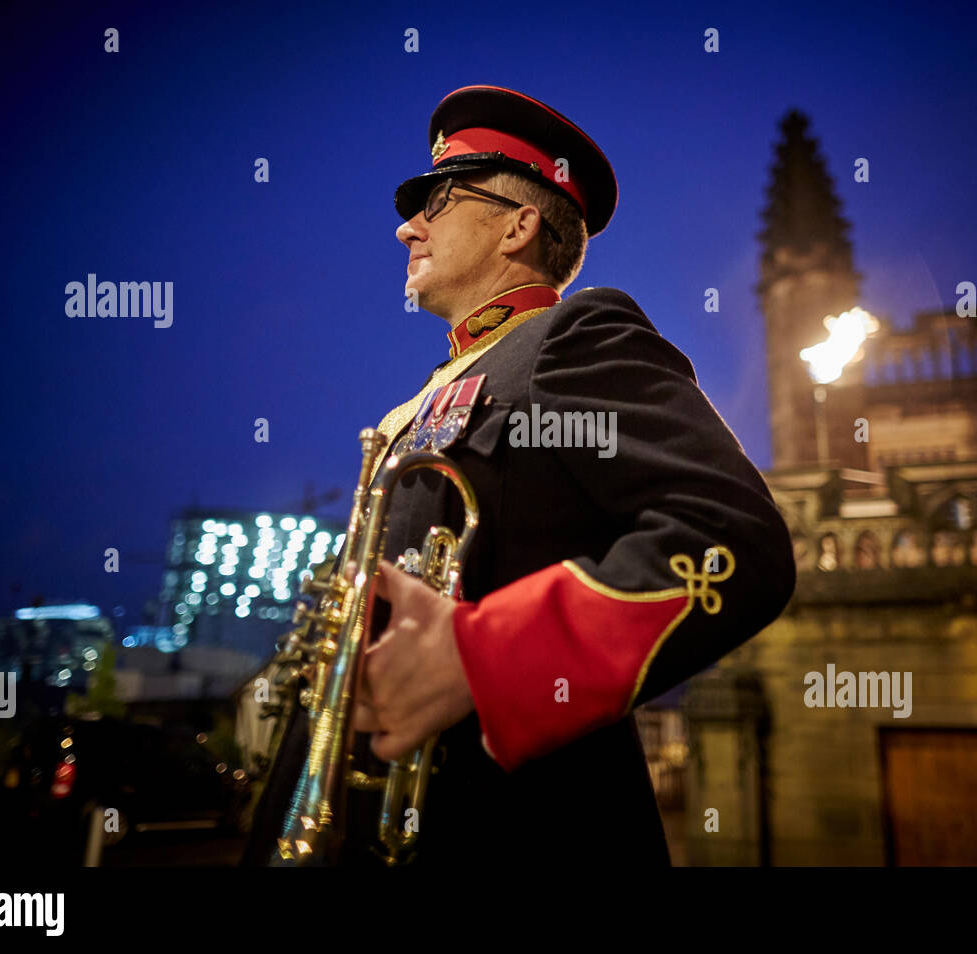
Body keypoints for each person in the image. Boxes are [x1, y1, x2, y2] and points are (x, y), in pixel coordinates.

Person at [245, 85, 795, 867]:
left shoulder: (574, 333)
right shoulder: (427, 393)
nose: (408, 225)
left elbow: (732, 538)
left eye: (438, 200)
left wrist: (481, 658)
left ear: (518, 223)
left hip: (510, 831)